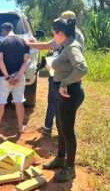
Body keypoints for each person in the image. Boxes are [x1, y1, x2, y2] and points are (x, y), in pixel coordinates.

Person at [42, 18, 88, 183]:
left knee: (67, 132)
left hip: (70, 93)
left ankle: (70, 169)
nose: (53, 37)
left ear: (60, 33)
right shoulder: (65, 45)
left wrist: (65, 83)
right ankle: (60, 158)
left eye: (53, 34)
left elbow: (82, 68)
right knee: (60, 128)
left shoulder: (72, 47)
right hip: (62, 92)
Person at [26, 11, 85, 136]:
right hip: (72, 76)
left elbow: (46, 45)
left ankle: (49, 128)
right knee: (65, 105)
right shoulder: (78, 35)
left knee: (54, 101)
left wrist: (29, 44)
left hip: (60, 75)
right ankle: (62, 130)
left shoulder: (66, 37)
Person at [0, 22, 30, 134]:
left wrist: (8, 77)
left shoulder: (1, 42)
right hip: (19, 77)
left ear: (4, 30)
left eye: (1, 32)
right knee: (19, 102)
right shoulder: (23, 42)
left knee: (1, 103)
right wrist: (17, 76)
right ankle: (20, 127)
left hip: (4, 78)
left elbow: (0, 61)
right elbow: (27, 60)